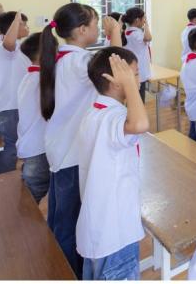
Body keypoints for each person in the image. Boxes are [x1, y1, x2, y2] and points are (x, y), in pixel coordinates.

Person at [40, 3, 122, 275]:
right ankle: (66, 272)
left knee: (59, 215)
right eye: (96, 24)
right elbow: (118, 70)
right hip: (71, 154)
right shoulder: (79, 62)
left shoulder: (65, 57)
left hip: (60, 148)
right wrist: (116, 33)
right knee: (68, 222)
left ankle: (55, 264)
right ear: (82, 29)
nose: (99, 28)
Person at [77, 49, 149, 281]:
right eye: (134, 75)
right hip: (115, 232)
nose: (138, 80)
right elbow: (139, 124)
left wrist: (127, 82)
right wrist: (130, 85)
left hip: (99, 226)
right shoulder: (112, 118)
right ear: (116, 83)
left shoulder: (97, 111)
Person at [0, 10, 30, 174]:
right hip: (9, 104)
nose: (27, 28)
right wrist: (16, 20)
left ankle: (13, 175)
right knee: (10, 144)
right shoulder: (6, 48)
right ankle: (4, 179)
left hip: (16, 103)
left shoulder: (19, 47)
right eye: (24, 24)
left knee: (17, 142)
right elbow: (9, 41)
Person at [15, 32, 48, 203]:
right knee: (30, 202)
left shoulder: (30, 78)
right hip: (38, 149)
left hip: (31, 147)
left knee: (30, 197)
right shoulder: (40, 81)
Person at [121, 7, 152, 102]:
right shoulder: (136, 34)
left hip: (132, 71)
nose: (144, 21)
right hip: (139, 73)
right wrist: (146, 25)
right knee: (139, 101)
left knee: (132, 100)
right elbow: (148, 38)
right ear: (137, 20)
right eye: (144, 18)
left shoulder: (127, 32)